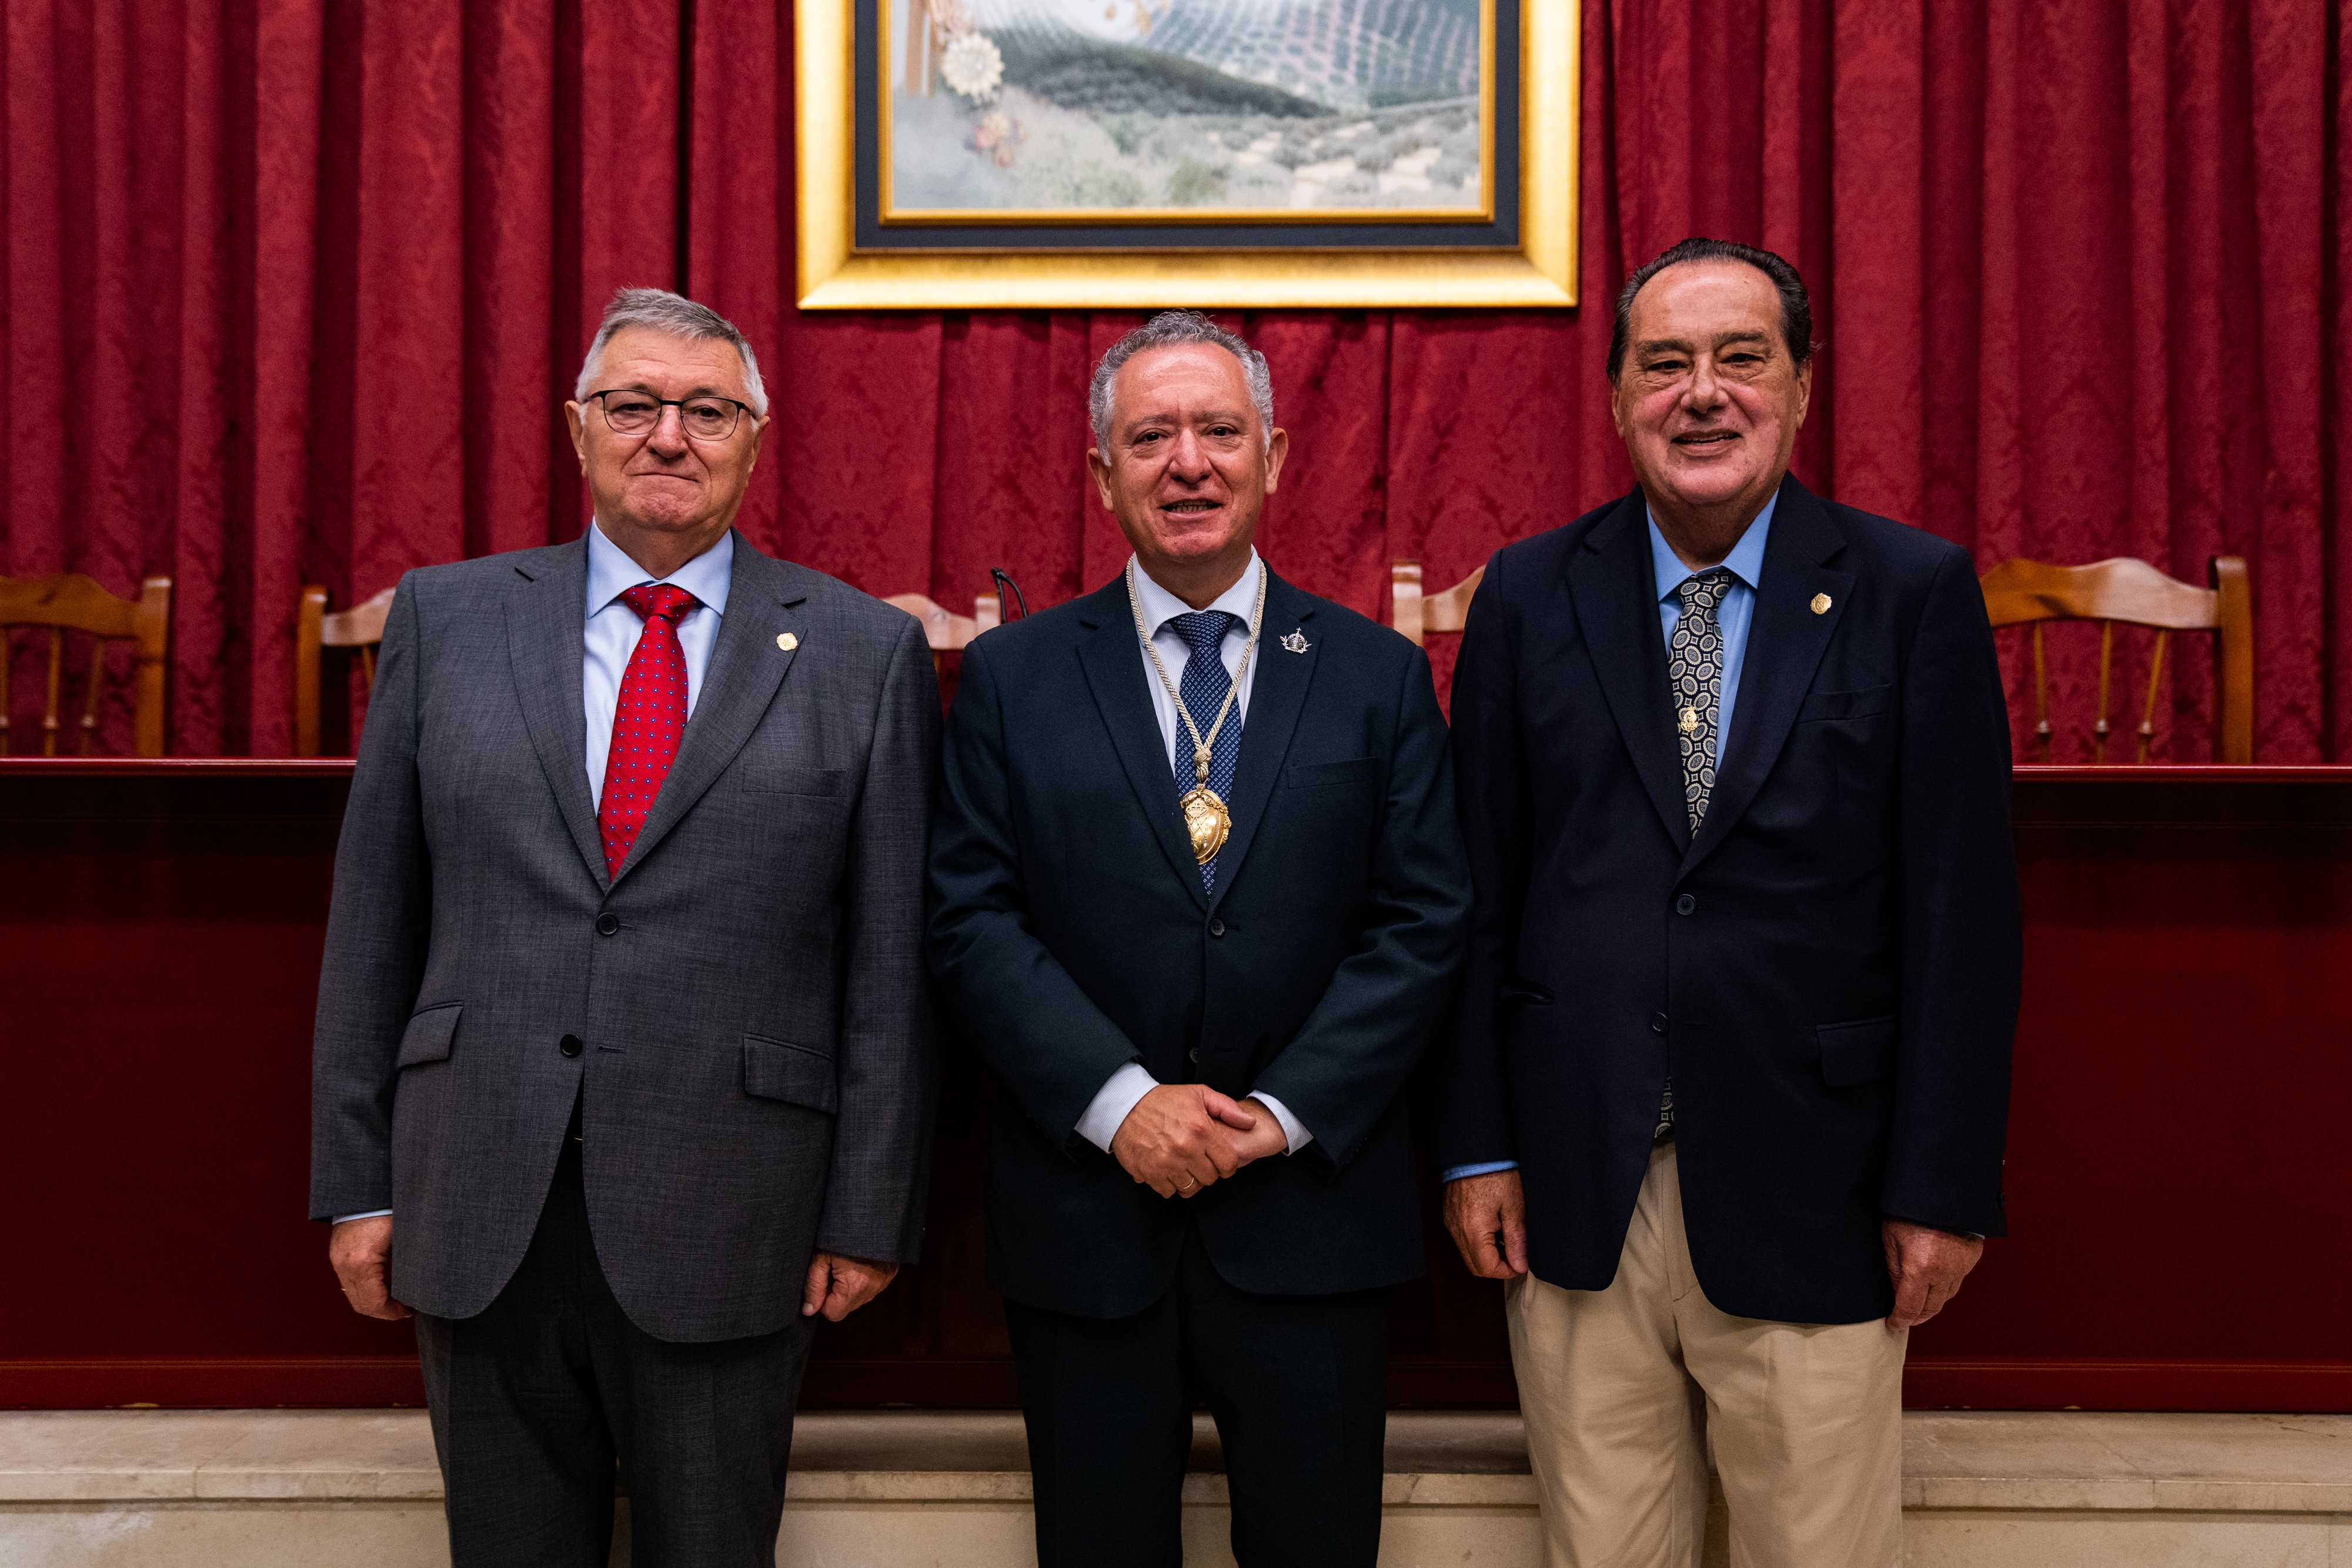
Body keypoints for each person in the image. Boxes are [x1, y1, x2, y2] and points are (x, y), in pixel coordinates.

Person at [310, 287, 938, 1567]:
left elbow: (889, 966)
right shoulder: (447, 618)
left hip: (734, 1207)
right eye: (634, 404)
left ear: (754, 440)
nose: (669, 435)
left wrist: (867, 1205)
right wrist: (356, 1179)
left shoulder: (862, 652)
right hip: (477, 1195)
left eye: (706, 409)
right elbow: (374, 920)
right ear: (577, 429)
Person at [1436, 239, 2020, 1568]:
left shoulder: (1909, 591)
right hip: (1575, 1187)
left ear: (1801, 386)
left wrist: (1940, 1182)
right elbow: (1473, 888)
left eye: (1738, 358)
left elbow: (1961, 919)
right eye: (1664, 364)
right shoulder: (1528, 593)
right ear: (1615, 397)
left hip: (1816, 1181)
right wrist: (1475, 1144)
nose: (1700, 393)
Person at [928, 310, 1470, 1568]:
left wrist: (1275, 1113)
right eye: (1151, 434)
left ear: (1273, 454)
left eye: (1219, 430)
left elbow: (1423, 919)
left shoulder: (1374, 675)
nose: (1188, 461)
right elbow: (968, 917)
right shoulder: (1011, 675)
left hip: (1308, 1215)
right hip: (1087, 1219)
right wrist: (1122, 1104)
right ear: (1098, 470)